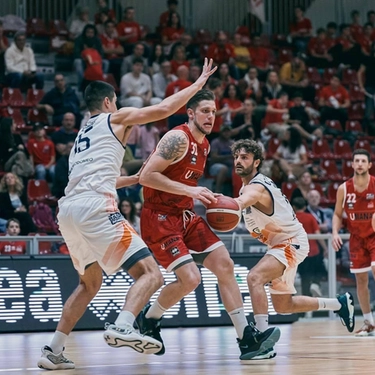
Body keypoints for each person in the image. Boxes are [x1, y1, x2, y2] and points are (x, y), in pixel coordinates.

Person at [37, 57, 219, 370]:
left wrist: (134, 179)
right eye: (116, 101)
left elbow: (94, 178)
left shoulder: (83, 133)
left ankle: (53, 349)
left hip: (68, 211)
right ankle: (123, 324)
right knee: (151, 273)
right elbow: (162, 110)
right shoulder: (115, 118)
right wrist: (198, 85)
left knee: (88, 285)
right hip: (96, 208)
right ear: (109, 102)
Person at [138, 89, 281, 361]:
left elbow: (185, 185)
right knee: (191, 279)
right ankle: (149, 318)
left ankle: (246, 340)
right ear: (190, 113)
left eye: (214, 112)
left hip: (185, 215)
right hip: (159, 218)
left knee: (224, 264)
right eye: (205, 111)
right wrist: (191, 191)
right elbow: (147, 176)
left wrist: (202, 196)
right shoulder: (178, 138)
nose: (210, 116)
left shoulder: (205, 145)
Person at [230, 139, 355, 359]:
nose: (238, 161)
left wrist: (218, 203)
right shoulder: (246, 187)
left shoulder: (256, 188)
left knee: (254, 277)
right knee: (283, 305)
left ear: (256, 162)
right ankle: (339, 304)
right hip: (281, 243)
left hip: (290, 242)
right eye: (237, 157)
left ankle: (260, 338)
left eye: (245, 157)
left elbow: (241, 202)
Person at [332, 149, 375, 336]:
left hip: (374, 237)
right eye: (356, 160)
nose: (359, 164)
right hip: (356, 239)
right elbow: (336, 214)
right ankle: (369, 322)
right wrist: (335, 232)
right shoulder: (344, 188)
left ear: (369, 165)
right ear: (351, 164)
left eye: (363, 161)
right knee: (361, 280)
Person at [292, 197, 327, 299]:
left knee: (304, 279)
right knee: (319, 270)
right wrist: (325, 248)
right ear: (305, 206)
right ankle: (315, 284)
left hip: (297, 252)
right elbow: (317, 234)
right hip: (313, 251)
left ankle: (304, 308)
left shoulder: (291, 218)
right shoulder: (310, 217)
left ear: (293, 207)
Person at [357, 42, 375, 135]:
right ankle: (364, 134)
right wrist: (361, 86)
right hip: (370, 89)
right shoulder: (367, 59)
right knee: (368, 114)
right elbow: (360, 73)